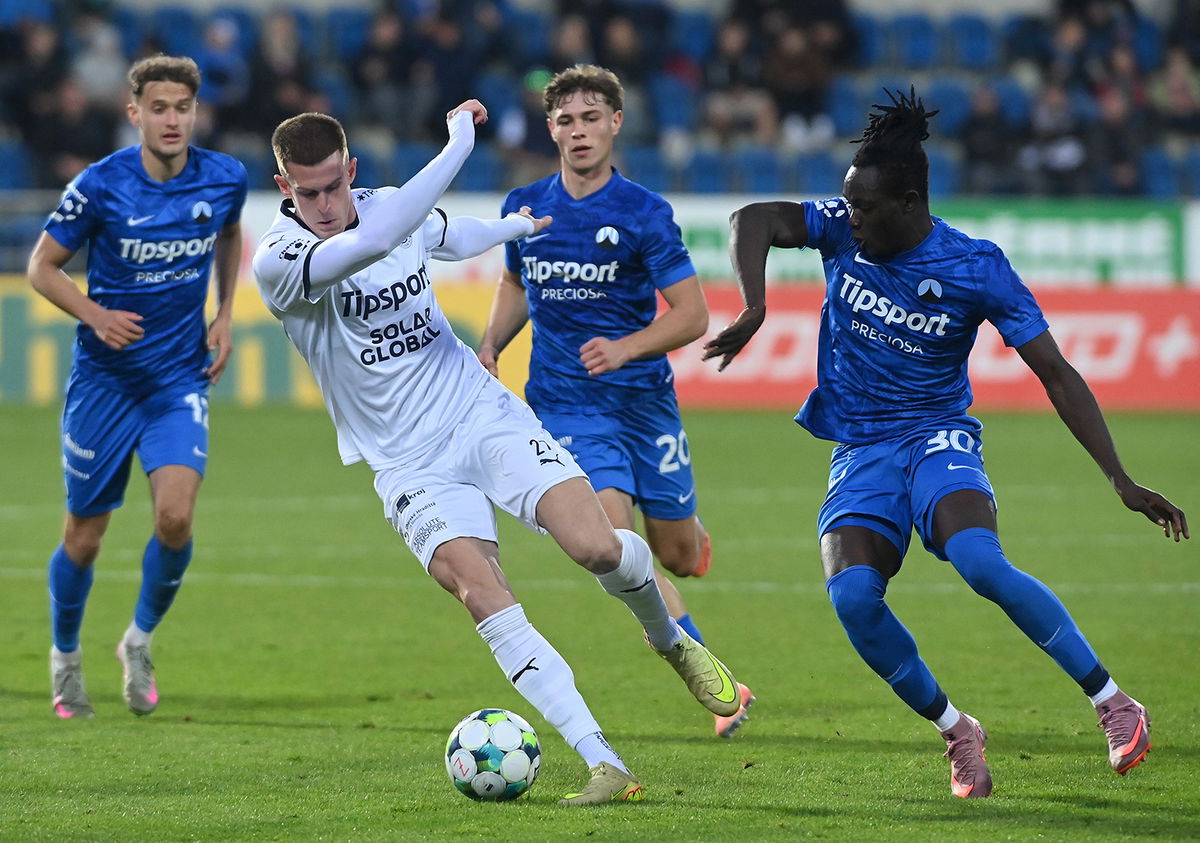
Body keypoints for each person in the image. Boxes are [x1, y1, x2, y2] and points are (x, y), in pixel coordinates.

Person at [251, 100, 743, 806]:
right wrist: (457, 143)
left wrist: (514, 228)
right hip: (406, 463)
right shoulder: (280, 259)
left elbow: (452, 235)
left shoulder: (388, 206)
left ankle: (670, 639)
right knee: (481, 592)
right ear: (283, 187)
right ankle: (604, 762)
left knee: (598, 548)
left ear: (350, 170)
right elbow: (373, 241)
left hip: (479, 414)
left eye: (333, 186)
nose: (324, 205)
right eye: (308, 193)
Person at [703, 87, 1189, 798]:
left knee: (980, 562)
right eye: (848, 204)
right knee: (854, 599)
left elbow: (1056, 372)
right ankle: (957, 730)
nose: (849, 217)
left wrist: (1120, 477)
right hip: (861, 448)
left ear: (908, 203)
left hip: (937, 435)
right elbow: (751, 218)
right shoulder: (843, 228)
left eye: (864, 207)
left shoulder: (975, 266)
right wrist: (755, 304)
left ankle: (1114, 702)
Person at [478, 64, 755, 739]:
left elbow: (692, 314)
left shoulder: (643, 213)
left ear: (615, 124)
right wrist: (490, 344)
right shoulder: (526, 206)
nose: (579, 131)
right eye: (566, 120)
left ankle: (691, 538)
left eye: (591, 118)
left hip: (644, 404)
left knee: (677, 555)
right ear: (551, 129)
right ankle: (708, 674)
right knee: (612, 545)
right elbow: (516, 282)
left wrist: (627, 347)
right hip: (566, 406)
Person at [27, 55, 247, 719]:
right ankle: (66, 656)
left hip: (178, 378)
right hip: (105, 383)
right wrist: (95, 315)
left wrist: (225, 313)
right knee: (84, 536)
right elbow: (42, 267)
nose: (171, 119)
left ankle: (138, 641)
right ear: (135, 114)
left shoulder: (225, 177)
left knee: (175, 518)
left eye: (182, 107)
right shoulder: (101, 184)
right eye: (159, 108)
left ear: (195, 111)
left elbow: (230, 234)